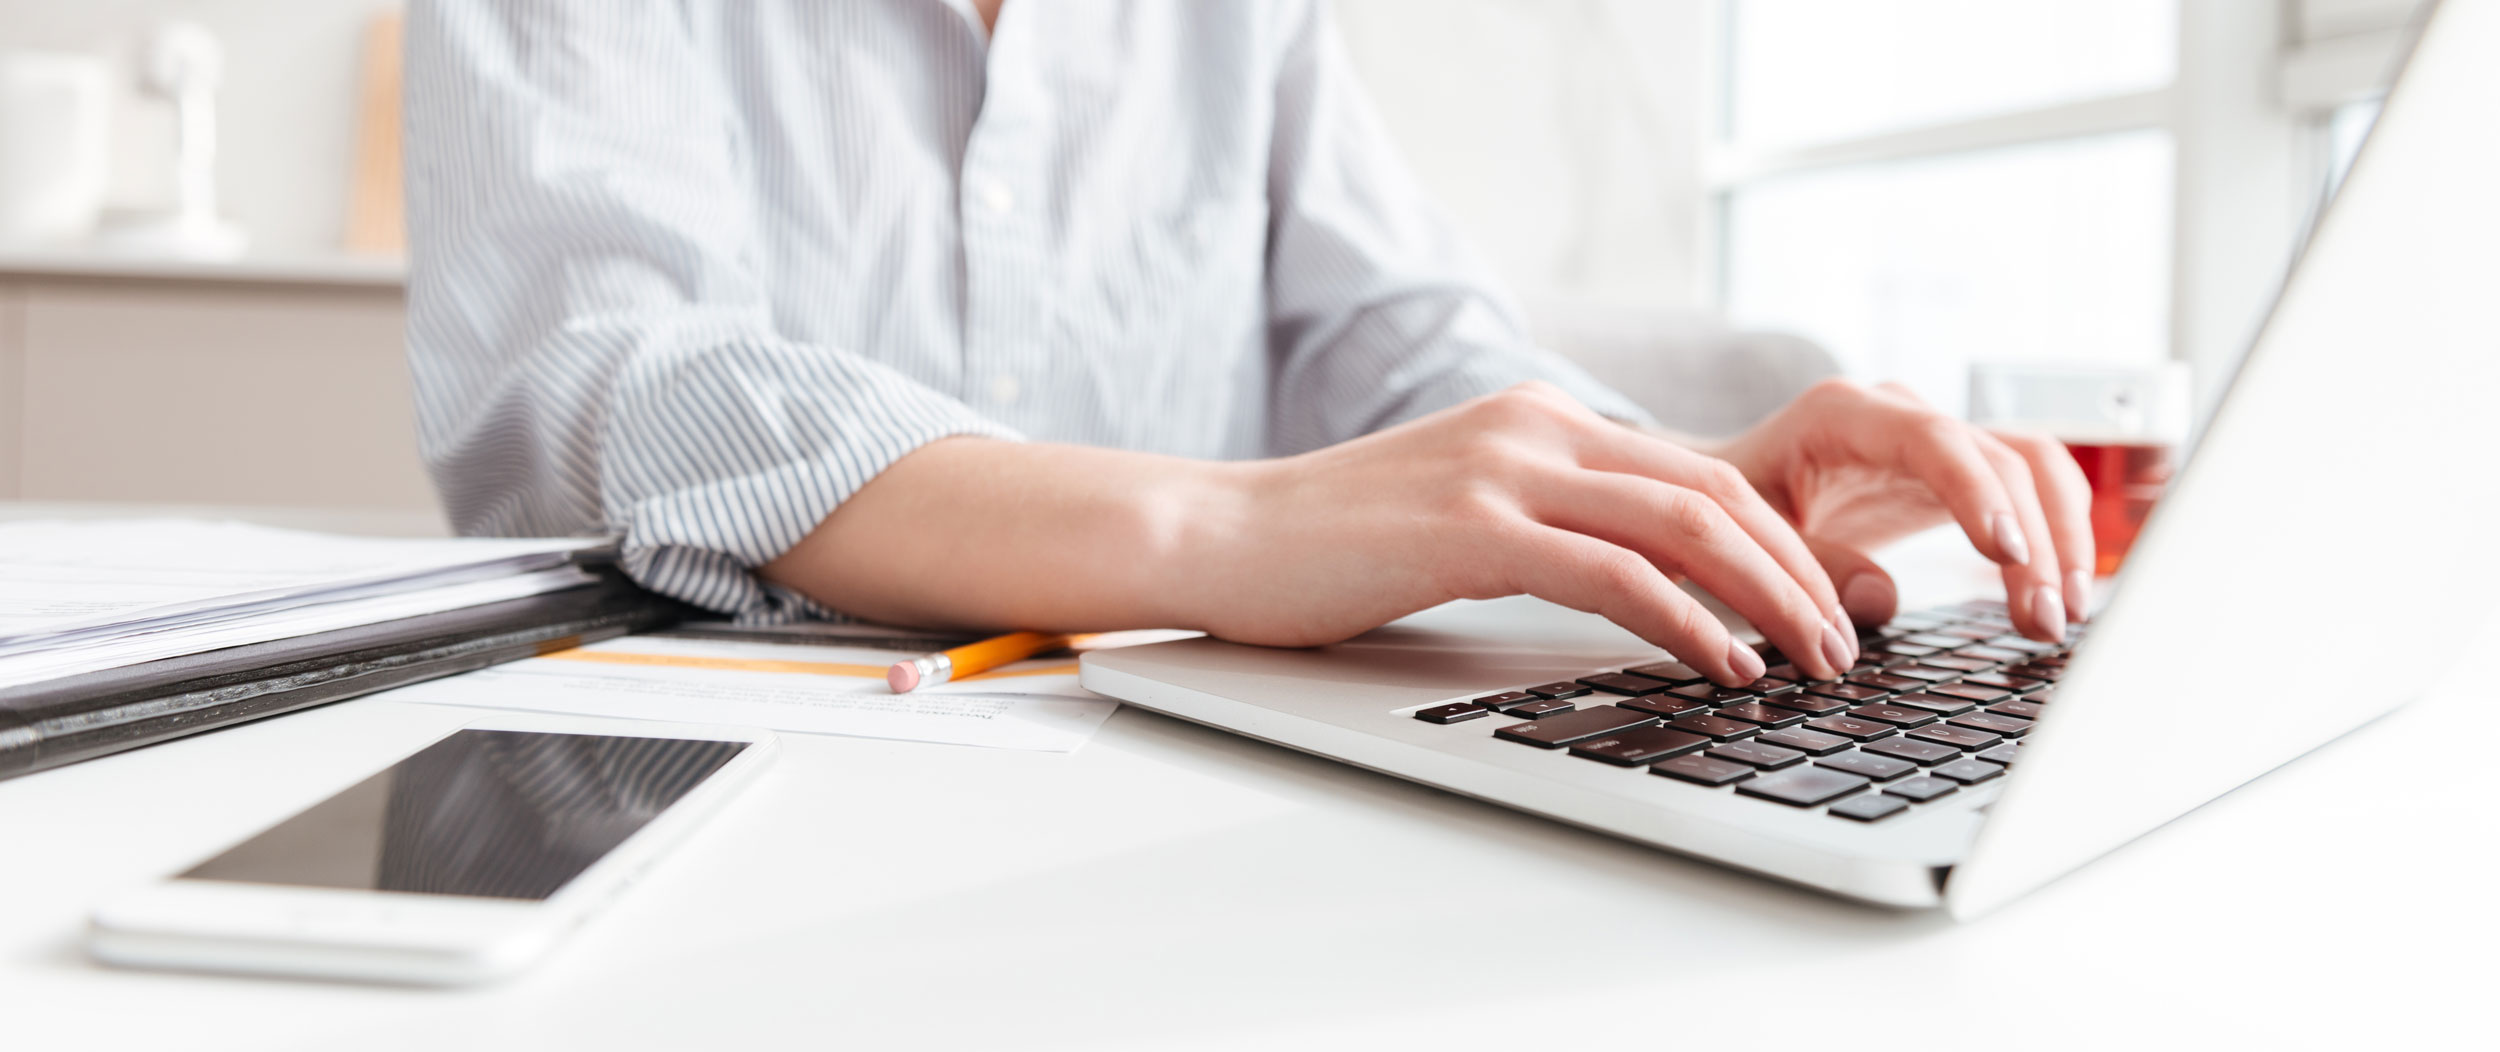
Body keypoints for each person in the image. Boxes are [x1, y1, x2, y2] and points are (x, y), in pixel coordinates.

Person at [404, 0, 2092, 690]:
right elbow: (608, 373)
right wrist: (1219, 530)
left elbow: (1404, 339)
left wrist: (1671, 490)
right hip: (714, 792)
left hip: (1193, 781)